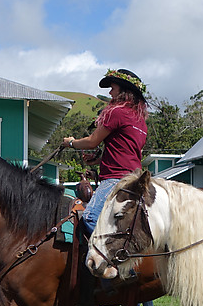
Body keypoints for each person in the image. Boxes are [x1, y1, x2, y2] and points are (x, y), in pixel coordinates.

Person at [63, 68, 148, 234]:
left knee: (90, 217)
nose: (110, 92)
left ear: (124, 92)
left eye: (113, 88)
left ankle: (112, 257)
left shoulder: (116, 112)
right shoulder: (141, 121)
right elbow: (126, 152)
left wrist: (71, 143)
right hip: (135, 177)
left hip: (116, 178)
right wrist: (97, 161)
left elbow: (92, 141)